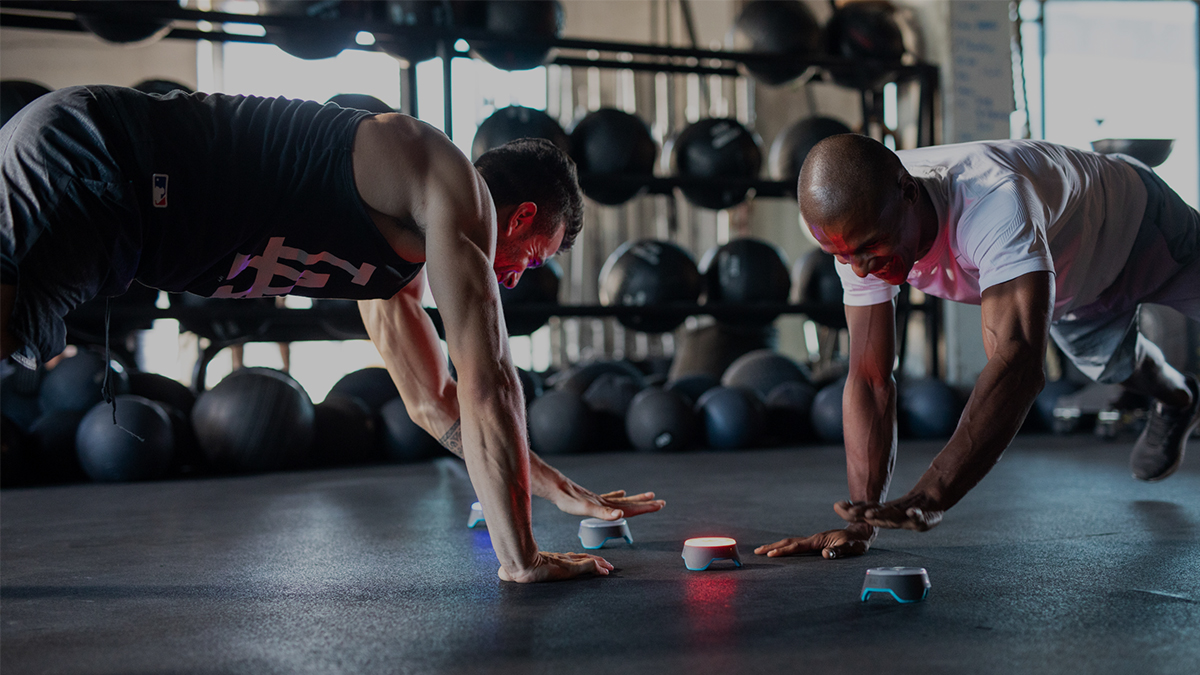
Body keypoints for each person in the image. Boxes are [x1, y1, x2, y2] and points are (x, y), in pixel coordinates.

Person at [0, 84, 664, 582]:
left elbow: (438, 405)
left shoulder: (395, 267)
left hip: (109, 207)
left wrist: (553, 484)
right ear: (519, 216)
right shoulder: (448, 183)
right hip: (101, 157)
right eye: (534, 257)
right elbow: (490, 381)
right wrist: (523, 558)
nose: (517, 280)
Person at [757, 134, 1199, 560]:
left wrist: (933, 492)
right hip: (1072, 283)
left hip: (1143, 227)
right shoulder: (853, 230)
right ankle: (1179, 398)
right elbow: (870, 379)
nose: (862, 267)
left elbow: (1017, 363)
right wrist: (862, 522)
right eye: (844, 256)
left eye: (872, 247)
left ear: (909, 193)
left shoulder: (993, 201)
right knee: (1116, 366)